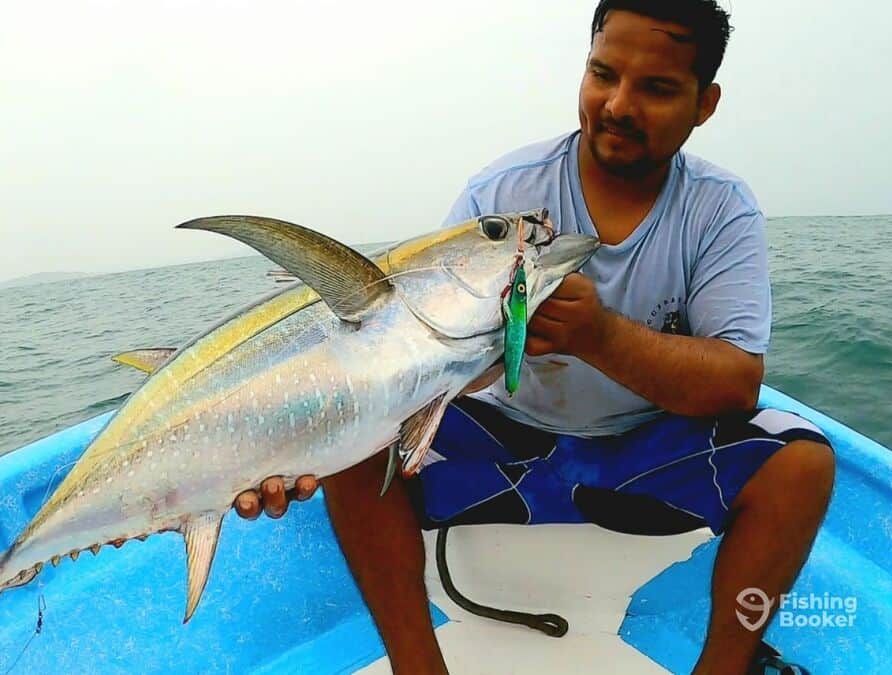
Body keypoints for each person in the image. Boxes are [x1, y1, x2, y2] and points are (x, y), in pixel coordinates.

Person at [234, 2, 835, 673]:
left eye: (657, 88)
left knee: (803, 465)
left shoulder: (722, 209)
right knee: (356, 440)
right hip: (502, 442)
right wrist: (283, 442)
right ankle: (417, 665)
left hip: (646, 453)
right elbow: (410, 361)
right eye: (602, 74)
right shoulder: (499, 195)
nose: (618, 104)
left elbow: (736, 380)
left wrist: (600, 336)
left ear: (705, 103)